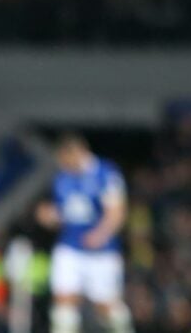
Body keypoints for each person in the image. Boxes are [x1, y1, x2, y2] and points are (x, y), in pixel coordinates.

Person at [36, 133, 132, 333]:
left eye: (65, 158)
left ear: (77, 152)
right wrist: (50, 216)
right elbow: (64, 212)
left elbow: (117, 211)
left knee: (106, 307)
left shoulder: (105, 173)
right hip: (70, 247)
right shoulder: (62, 178)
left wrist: (101, 234)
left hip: (102, 251)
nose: (63, 164)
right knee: (64, 302)